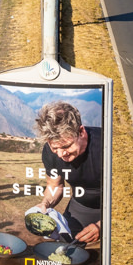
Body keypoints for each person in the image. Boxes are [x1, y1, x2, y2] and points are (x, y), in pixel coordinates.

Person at [32, 101, 102, 244]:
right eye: (55, 148)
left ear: (81, 132)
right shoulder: (50, 152)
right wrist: (45, 204)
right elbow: (55, 186)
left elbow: (131, 198)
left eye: (66, 146)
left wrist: (104, 225)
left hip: (115, 206)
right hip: (81, 205)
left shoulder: (106, 144)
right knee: (65, 245)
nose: (60, 154)